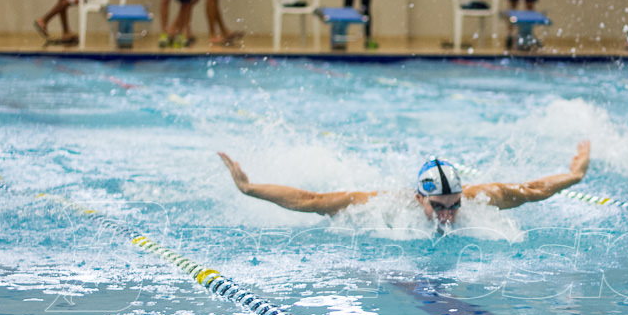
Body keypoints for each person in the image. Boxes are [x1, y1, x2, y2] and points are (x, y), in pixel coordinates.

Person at [217, 141, 590, 226]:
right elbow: (310, 200)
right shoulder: (385, 206)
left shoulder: (482, 198)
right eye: (439, 206)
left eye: (454, 204)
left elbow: (535, 190)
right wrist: (250, 188)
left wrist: (573, 175)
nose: (449, 215)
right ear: (419, 198)